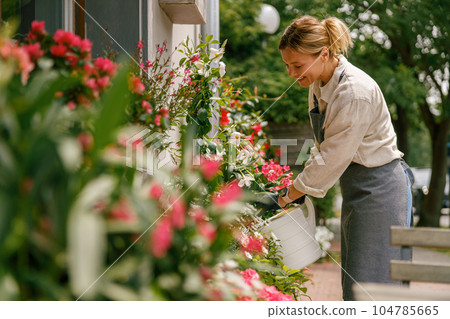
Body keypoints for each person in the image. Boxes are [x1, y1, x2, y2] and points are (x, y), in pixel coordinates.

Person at [275, 16, 414, 301]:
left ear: (323, 54)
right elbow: (322, 146)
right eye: (287, 65)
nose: (291, 74)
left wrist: (288, 195)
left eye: (297, 65)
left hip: (381, 191)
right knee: (355, 283)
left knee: (373, 288)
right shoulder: (320, 83)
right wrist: (296, 190)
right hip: (358, 189)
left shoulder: (353, 92)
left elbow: (333, 156)